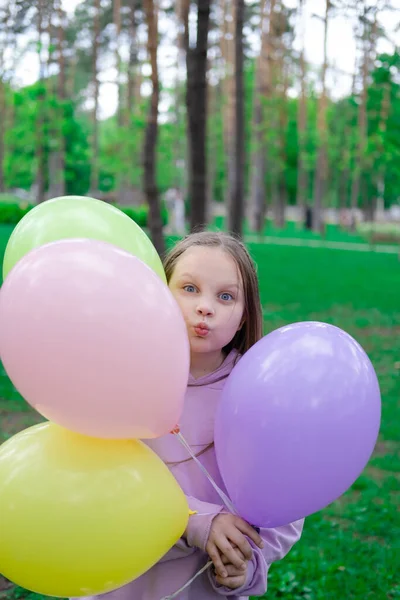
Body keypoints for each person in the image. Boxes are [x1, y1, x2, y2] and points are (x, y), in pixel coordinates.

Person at [80, 231, 304, 600]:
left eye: (226, 296)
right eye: (189, 288)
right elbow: (95, 475)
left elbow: (287, 499)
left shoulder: (264, 395)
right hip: (114, 580)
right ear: (160, 293)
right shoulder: (119, 378)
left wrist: (244, 565)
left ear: (244, 315)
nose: (206, 307)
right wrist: (193, 520)